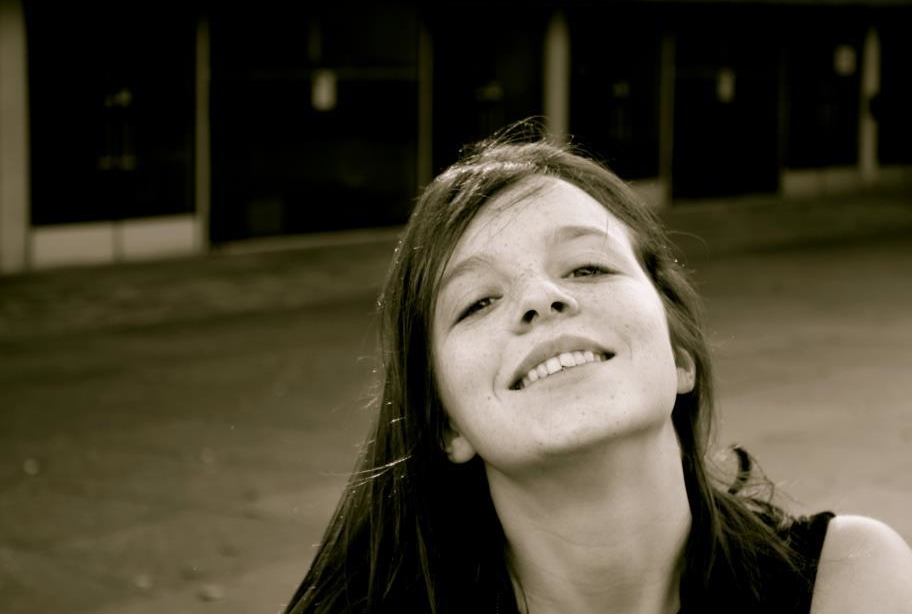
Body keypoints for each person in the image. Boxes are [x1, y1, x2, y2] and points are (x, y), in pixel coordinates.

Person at [285, 121, 912, 613]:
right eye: (477, 302)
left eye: (587, 266)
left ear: (681, 353)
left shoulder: (849, 581)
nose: (540, 298)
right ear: (447, 423)